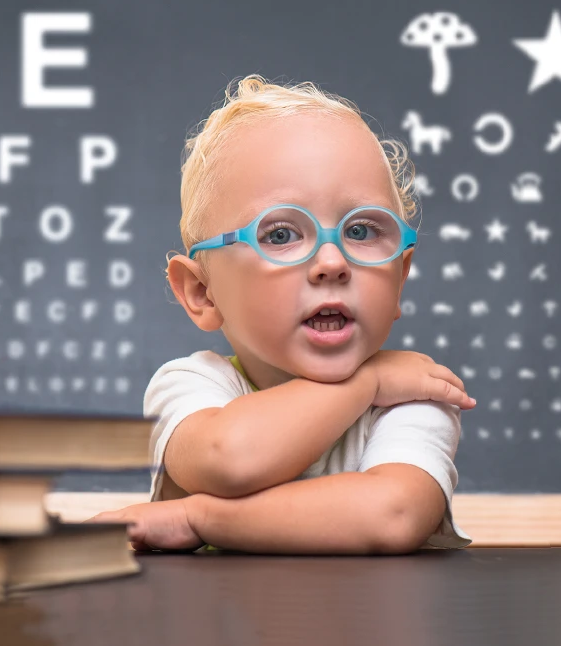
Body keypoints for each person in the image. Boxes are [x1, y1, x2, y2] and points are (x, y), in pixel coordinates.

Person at [89, 74, 477, 554]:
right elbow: (230, 459)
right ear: (202, 293)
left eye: (360, 231)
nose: (333, 263)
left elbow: (391, 515)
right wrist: (365, 384)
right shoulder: (193, 386)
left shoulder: (413, 396)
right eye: (279, 235)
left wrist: (198, 517)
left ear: (400, 275)